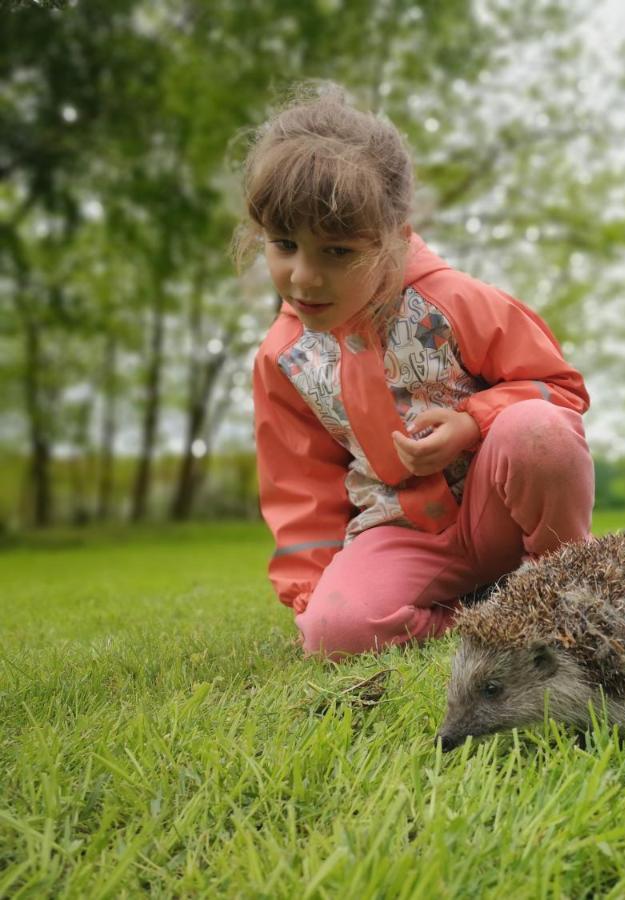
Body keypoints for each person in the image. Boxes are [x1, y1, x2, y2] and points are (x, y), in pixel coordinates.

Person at [237, 85, 594, 657]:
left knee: (538, 430)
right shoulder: (284, 358)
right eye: (284, 245)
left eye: (337, 252)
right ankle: (493, 618)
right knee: (335, 633)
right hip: (399, 533)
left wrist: (473, 422)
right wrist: (315, 599)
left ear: (392, 236)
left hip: (498, 508)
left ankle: (564, 591)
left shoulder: (455, 301)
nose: (303, 277)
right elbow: (299, 487)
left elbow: (559, 390)